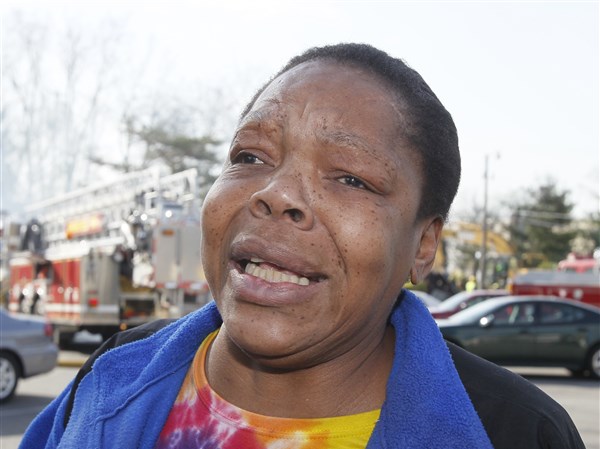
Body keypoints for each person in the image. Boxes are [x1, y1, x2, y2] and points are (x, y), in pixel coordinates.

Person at [20, 43, 584, 449]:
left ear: (424, 244)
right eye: (250, 156)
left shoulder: (518, 432)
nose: (277, 194)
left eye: (351, 178)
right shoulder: (112, 377)